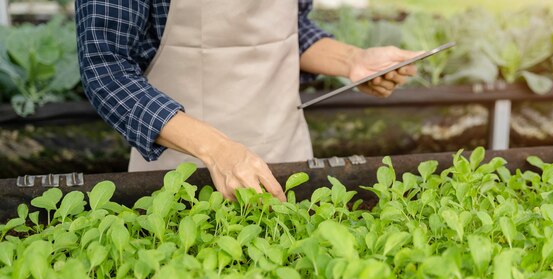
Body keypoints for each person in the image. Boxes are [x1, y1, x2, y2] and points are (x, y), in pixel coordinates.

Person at [76, 1, 418, 202]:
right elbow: (105, 66)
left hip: (287, 162)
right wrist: (219, 151)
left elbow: (288, 28)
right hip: (178, 175)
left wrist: (351, 61)